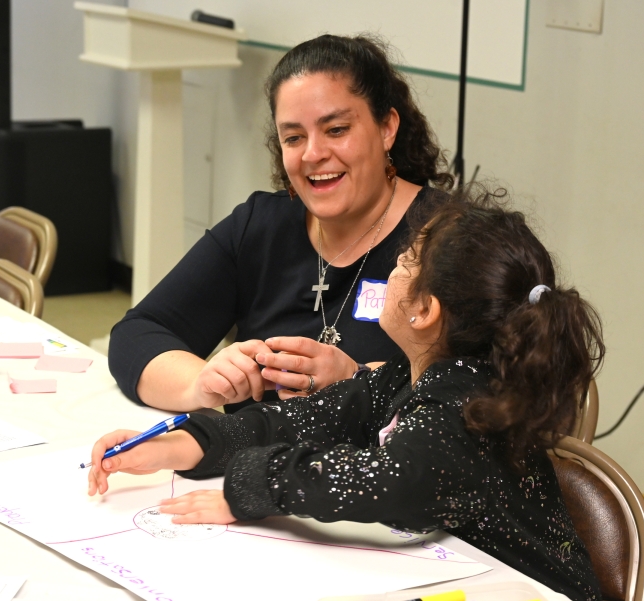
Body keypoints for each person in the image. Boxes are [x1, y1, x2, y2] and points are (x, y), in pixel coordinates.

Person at [88, 187, 606, 601]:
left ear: (424, 311)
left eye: (406, 263)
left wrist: (246, 487)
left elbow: (381, 482)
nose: (395, 266)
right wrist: (184, 442)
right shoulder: (411, 375)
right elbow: (298, 421)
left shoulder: (462, 411)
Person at [108, 34, 453, 413]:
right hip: (247, 468)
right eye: (293, 137)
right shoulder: (260, 226)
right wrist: (201, 383)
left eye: (336, 130)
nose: (313, 153)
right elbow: (136, 335)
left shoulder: (452, 240)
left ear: (386, 127)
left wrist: (360, 379)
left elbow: (491, 390)